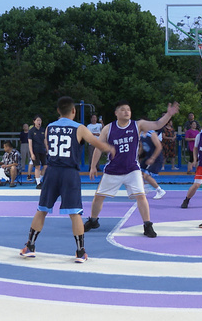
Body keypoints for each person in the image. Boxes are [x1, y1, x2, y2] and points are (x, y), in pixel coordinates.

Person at [20, 96, 116, 262]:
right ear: (74, 111)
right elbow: (97, 143)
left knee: (42, 209)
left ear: (58, 111)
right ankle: (80, 252)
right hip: (69, 173)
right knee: (75, 213)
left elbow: (48, 146)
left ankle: (30, 246)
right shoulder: (79, 128)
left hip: (52, 171)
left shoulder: (49, 127)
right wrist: (111, 149)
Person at [84, 100, 180, 238]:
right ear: (116, 113)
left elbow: (158, 124)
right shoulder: (108, 128)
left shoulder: (138, 125)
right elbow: (99, 147)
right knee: (99, 197)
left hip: (132, 169)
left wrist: (169, 115)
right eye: (123, 109)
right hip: (113, 169)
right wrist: (93, 166)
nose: (126, 112)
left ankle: (147, 225)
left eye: (128, 109)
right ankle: (93, 220)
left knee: (141, 196)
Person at [138, 127, 166, 199]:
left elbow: (159, 147)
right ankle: (144, 187)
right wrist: (137, 156)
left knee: (146, 176)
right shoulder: (140, 134)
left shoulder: (151, 133)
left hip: (156, 157)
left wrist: (152, 158)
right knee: (138, 172)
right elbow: (141, 146)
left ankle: (160, 190)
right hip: (148, 156)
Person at [28, 115, 47, 188]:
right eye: (37, 120)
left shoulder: (43, 130)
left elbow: (45, 140)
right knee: (37, 166)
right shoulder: (31, 131)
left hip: (42, 149)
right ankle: (38, 183)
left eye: (40, 120)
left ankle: (39, 179)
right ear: (34, 121)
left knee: (45, 166)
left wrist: (47, 149)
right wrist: (32, 153)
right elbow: (30, 143)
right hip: (35, 150)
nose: (39, 122)